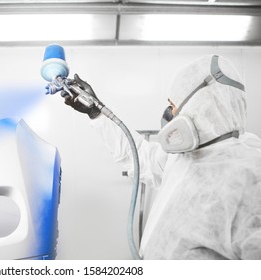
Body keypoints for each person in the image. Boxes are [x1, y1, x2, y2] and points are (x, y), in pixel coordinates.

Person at [62, 54, 261, 259]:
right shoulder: (185, 156)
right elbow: (141, 158)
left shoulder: (251, 175)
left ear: (201, 105)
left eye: (173, 105)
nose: (169, 113)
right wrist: (97, 112)